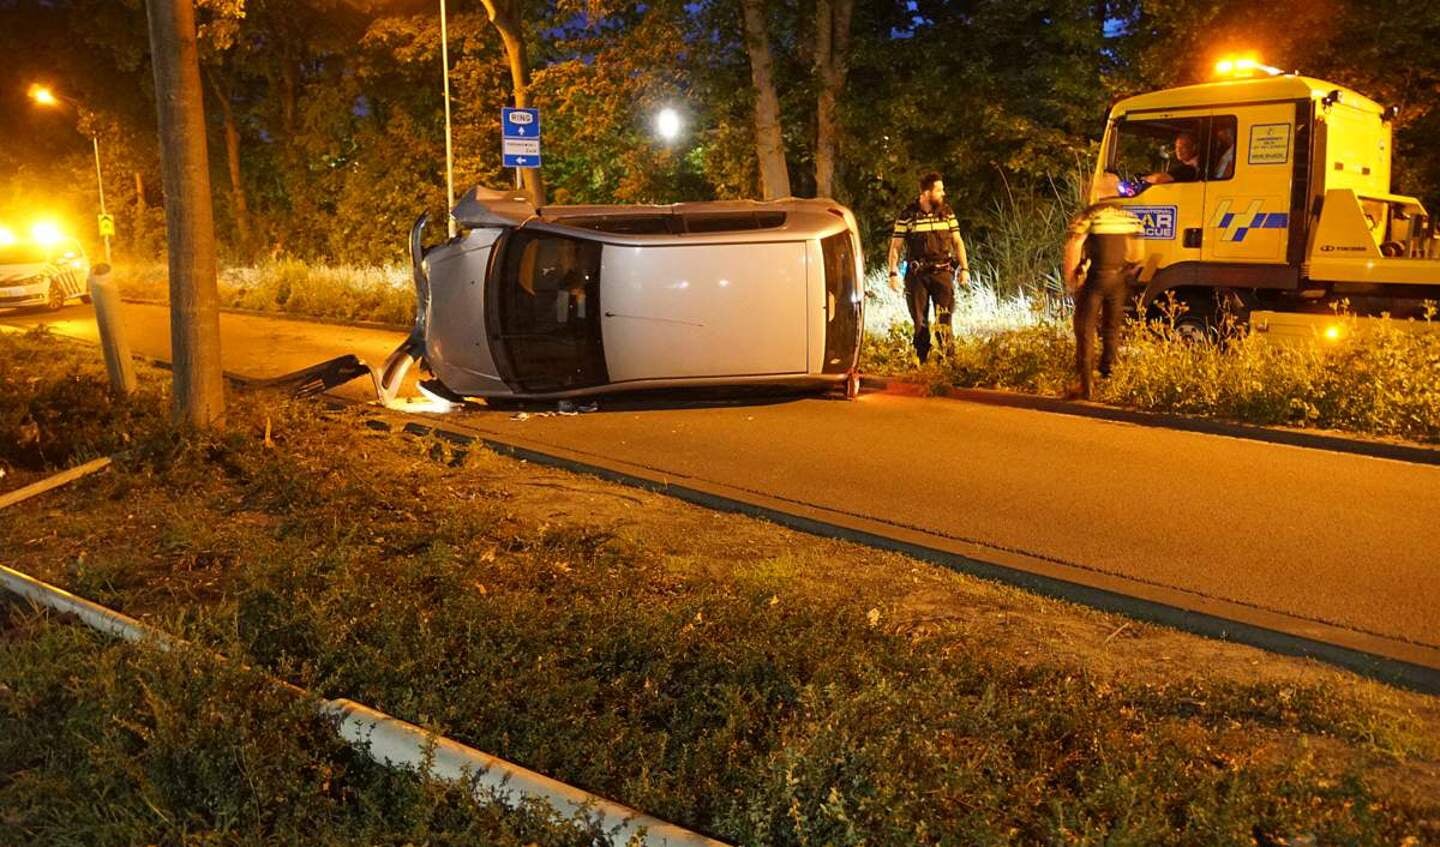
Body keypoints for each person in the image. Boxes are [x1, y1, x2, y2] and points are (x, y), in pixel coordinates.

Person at [1062, 171, 1144, 400]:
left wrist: (1071, 276)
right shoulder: (1128, 217)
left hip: (1096, 278)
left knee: (1085, 328)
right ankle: (1107, 374)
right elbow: (1138, 253)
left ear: (1098, 190)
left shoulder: (1090, 215)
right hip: (1119, 280)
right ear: (1116, 190)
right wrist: (1129, 272)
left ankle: (1085, 384)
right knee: (1111, 328)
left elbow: (1074, 245)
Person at [887, 171, 970, 363]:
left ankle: (948, 363)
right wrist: (893, 273)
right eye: (939, 190)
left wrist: (964, 268)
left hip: (943, 273)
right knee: (920, 323)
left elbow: (958, 242)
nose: (943, 193)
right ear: (926, 192)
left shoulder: (947, 212)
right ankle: (921, 363)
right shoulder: (908, 215)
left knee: (944, 321)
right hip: (917, 276)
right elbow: (895, 247)